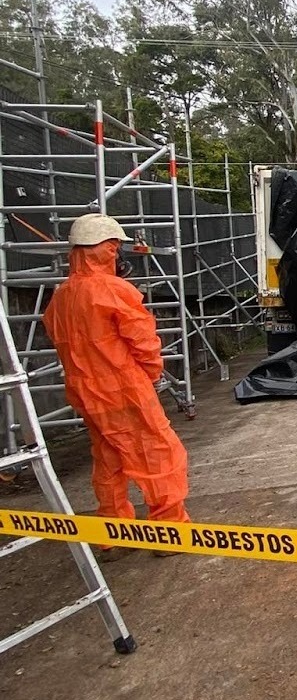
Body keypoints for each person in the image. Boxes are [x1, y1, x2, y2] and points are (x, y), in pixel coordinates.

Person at [43, 214, 191, 529]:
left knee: (109, 458)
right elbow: (143, 340)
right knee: (156, 452)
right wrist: (151, 374)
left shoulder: (62, 295)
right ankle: (169, 528)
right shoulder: (113, 290)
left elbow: (59, 338)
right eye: (116, 248)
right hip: (123, 388)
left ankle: (113, 530)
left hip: (85, 391)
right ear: (109, 248)